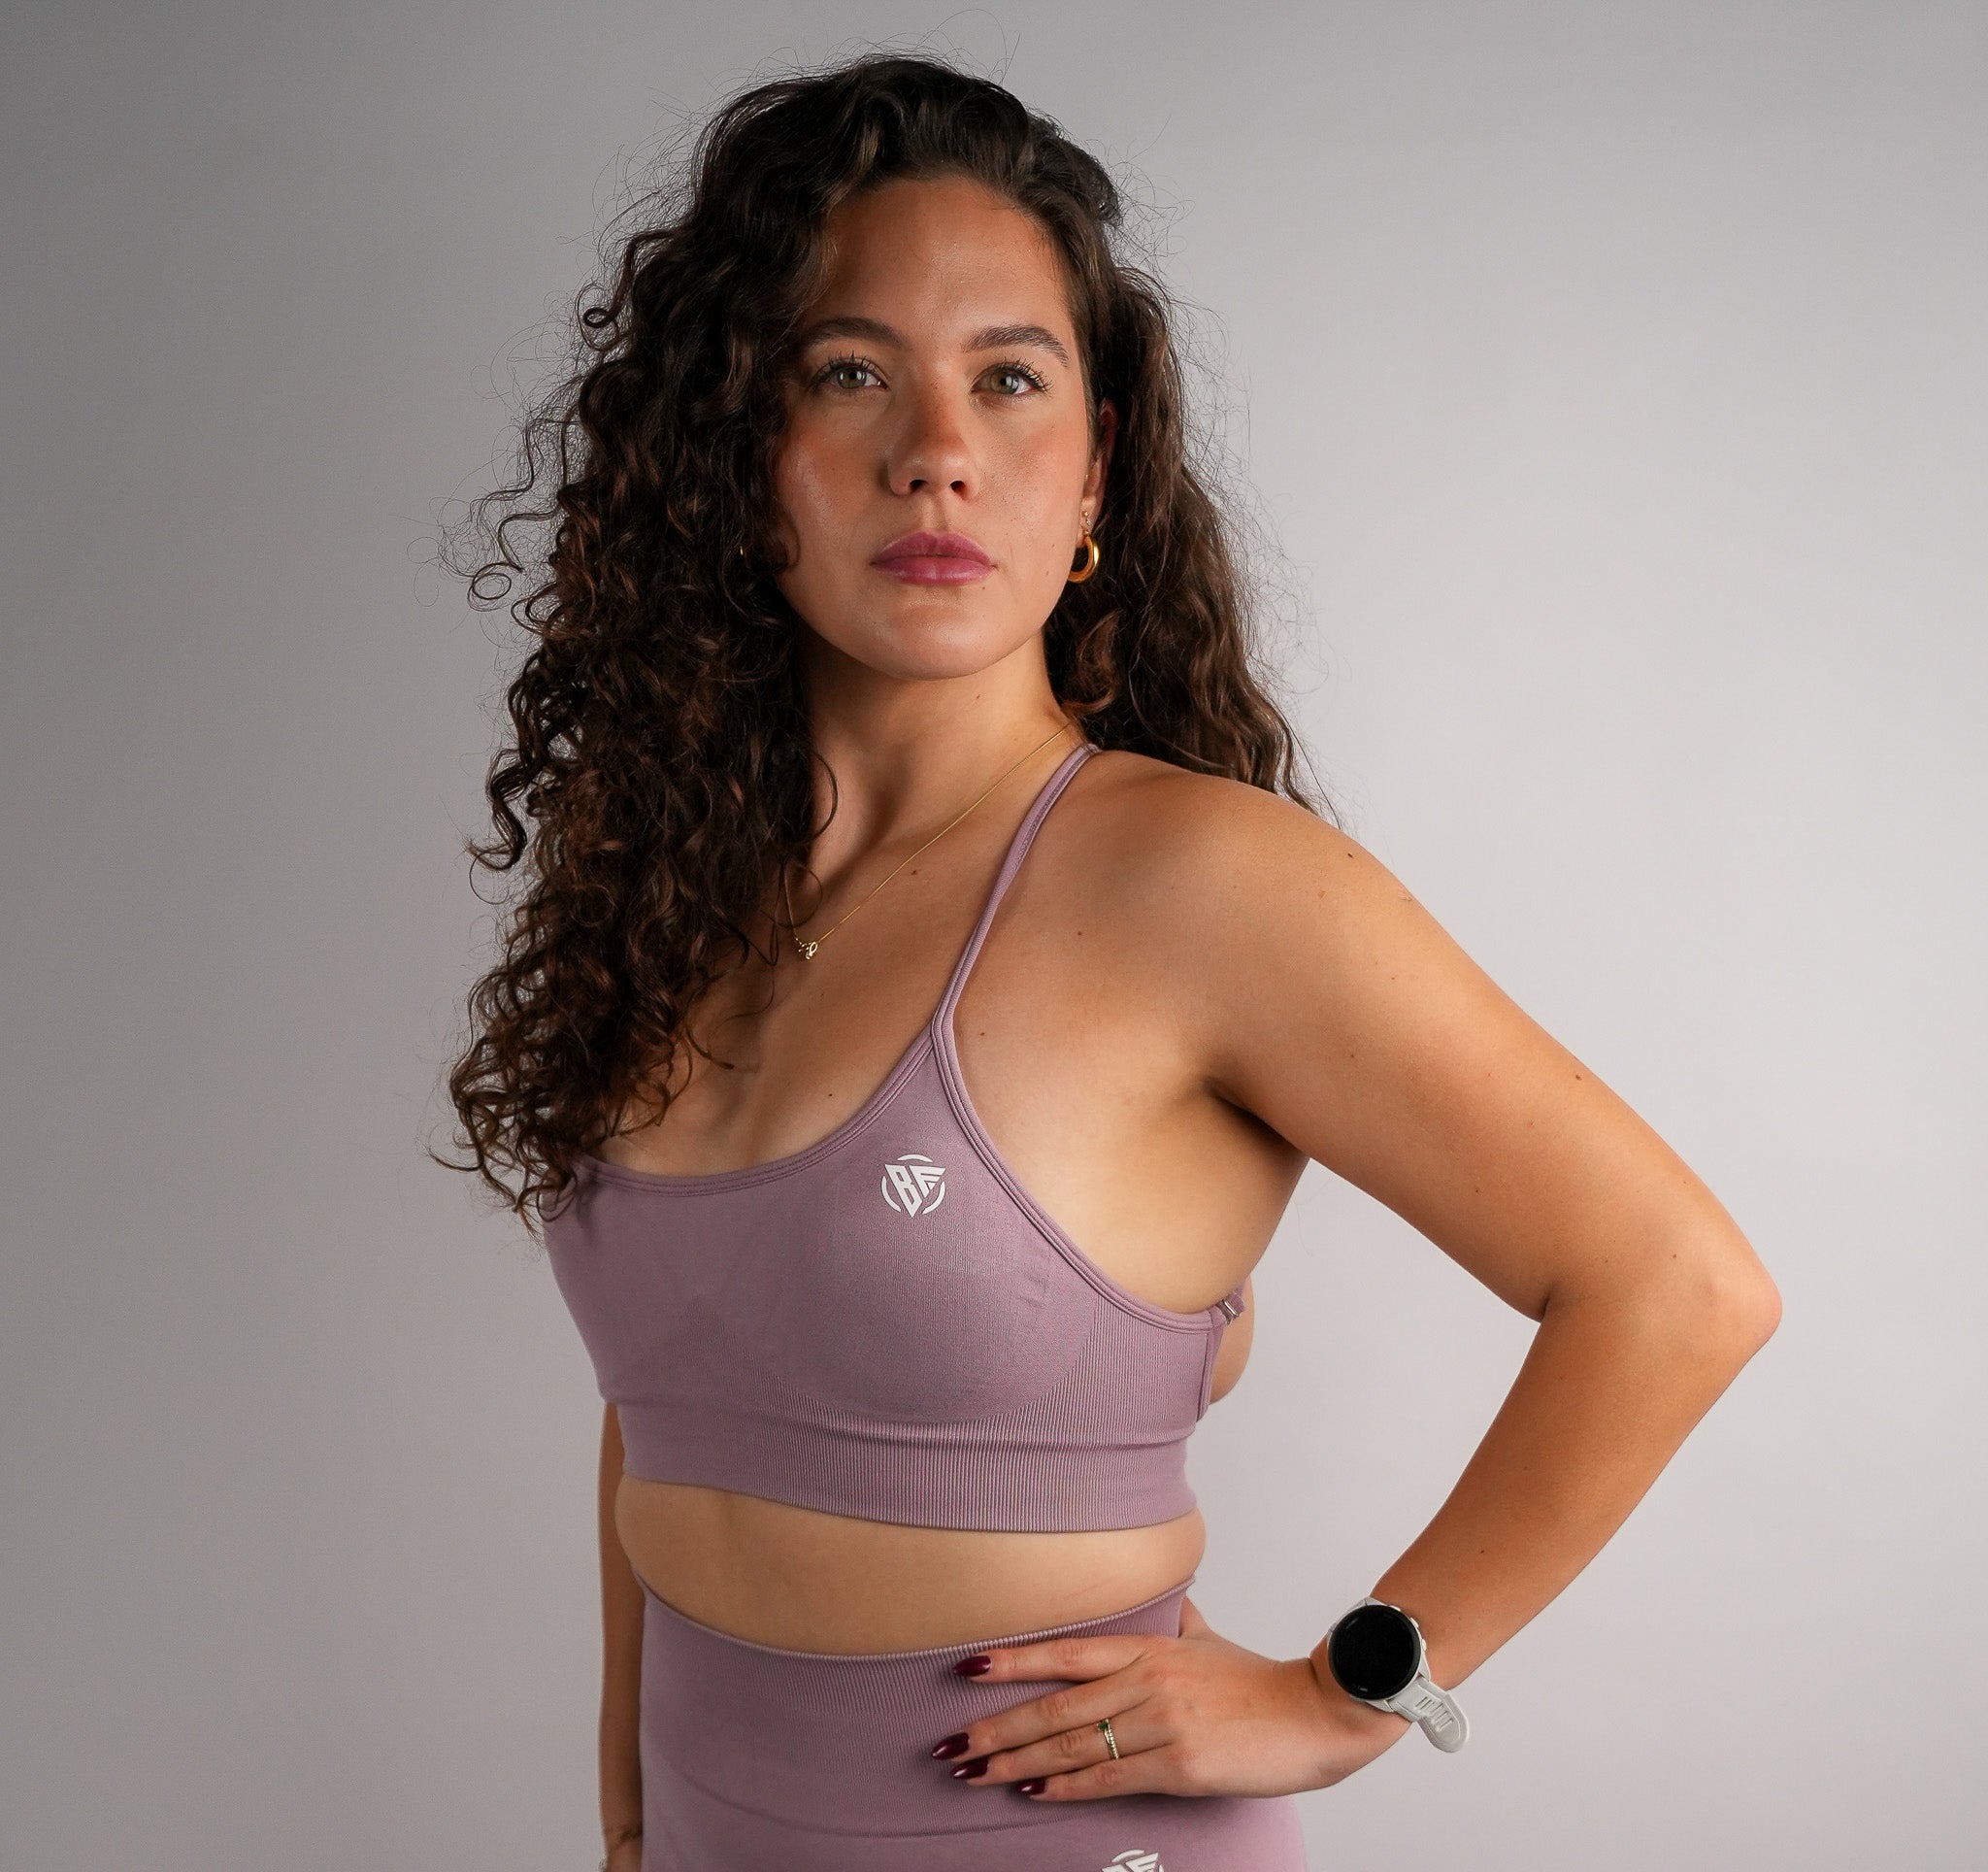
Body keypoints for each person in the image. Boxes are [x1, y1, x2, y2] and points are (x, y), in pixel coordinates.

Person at [441, 53, 1781, 1872]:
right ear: (739, 462)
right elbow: (664, 1411)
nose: (937, 448)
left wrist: (1344, 1698)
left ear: (1096, 475)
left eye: (1010, 377)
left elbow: (1678, 1285)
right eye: (850, 372)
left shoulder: (1199, 881)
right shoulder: (672, 899)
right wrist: (623, 1817)